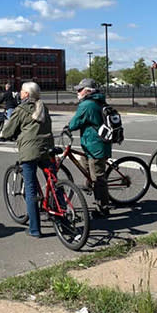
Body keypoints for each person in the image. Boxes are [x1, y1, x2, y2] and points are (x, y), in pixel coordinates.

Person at [0, 81, 54, 237]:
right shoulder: (43, 107)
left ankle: (35, 229)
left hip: (30, 152)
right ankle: (62, 211)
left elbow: (8, 130)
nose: (20, 93)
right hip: (47, 148)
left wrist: (4, 136)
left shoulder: (21, 109)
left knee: (30, 189)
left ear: (27, 94)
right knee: (53, 181)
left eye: (22, 91)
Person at [67, 78, 112, 216]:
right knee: (85, 166)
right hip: (93, 144)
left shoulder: (87, 105)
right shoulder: (97, 101)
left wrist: (67, 128)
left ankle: (103, 209)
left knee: (98, 178)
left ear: (87, 91)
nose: (77, 92)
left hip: (96, 146)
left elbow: (75, 122)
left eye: (80, 89)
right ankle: (91, 186)